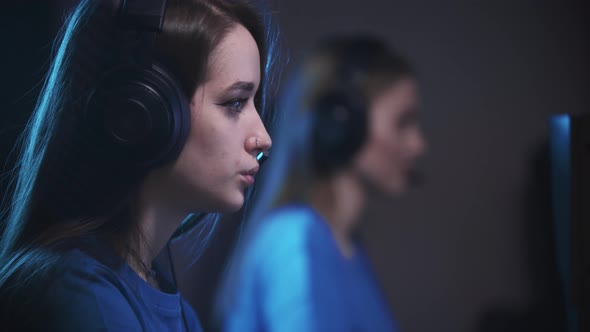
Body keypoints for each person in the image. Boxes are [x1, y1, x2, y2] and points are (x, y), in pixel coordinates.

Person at [0, 0, 280, 330]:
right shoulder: (81, 299)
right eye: (235, 103)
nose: (263, 138)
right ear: (145, 112)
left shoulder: (170, 307)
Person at [217, 35, 426, 331]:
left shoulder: (346, 247)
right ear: (341, 123)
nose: (418, 145)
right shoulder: (291, 238)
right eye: (403, 122)